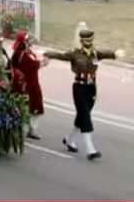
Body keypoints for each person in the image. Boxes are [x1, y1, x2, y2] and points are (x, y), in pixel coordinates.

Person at [44, 29, 124, 161]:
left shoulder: (95, 54)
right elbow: (61, 55)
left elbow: (106, 53)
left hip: (91, 88)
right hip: (79, 87)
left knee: (82, 116)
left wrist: (115, 54)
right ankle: (90, 149)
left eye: (91, 40)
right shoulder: (75, 54)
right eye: (87, 41)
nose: (89, 43)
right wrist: (47, 54)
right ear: (81, 41)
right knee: (86, 117)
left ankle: (69, 139)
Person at [10, 31, 48, 140]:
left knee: (36, 105)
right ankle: (24, 130)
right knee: (26, 107)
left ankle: (31, 129)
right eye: (28, 40)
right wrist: (43, 63)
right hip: (25, 85)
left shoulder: (26, 52)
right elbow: (32, 65)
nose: (30, 41)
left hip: (33, 83)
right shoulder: (21, 54)